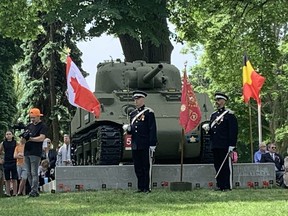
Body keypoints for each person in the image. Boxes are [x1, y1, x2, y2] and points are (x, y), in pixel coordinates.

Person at [123, 90, 157, 193]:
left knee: (146, 166)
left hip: (145, 143)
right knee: (137, 166)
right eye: (134, 99)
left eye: (138, 99)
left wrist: (152, 144)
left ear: (142, 99)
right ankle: (140, 187)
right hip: (135, 144)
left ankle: (147, 187)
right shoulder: (133, 114)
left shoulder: (148, 112)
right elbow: (134, 129)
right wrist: (128, 129)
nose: (135, 101)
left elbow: (152, 129)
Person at [204, 92, 238, 191]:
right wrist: (207, 129)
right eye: (216, 100)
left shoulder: (229, 115)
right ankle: (220, 185)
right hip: (215, 144)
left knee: (226, 166)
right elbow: (212, 131)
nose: (217, 102)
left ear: (223, 101)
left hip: (225, 145)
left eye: (219, 100)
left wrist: (232, 144)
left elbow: (233, 131)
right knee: (218, 165)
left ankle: (227, 185)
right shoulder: (213, 115)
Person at [22, 108, 47, 197]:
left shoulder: (42, 126)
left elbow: (42, 137)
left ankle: (34, 191)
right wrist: (24, 138)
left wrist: (31, 139)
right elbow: (24, 140)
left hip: (35, 152)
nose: (32, 119)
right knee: (28, 173)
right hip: (27, 152)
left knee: (34, 172)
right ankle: (33, 190)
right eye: (31, 117)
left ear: (38, 116)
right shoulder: (29, 126)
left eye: (34, 117)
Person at [0, 131, 18, 197]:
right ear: (5, 136)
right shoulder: (3, 143)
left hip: (14, 161)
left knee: (14, 178)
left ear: (12, 135)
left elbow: (19, 150)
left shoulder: (15, 143)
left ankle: (14, 193)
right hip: (6, 161)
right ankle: (7, 193)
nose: (8, 135)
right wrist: (1, 159)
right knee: (7, 178)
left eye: (9, 134)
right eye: (7, 134)